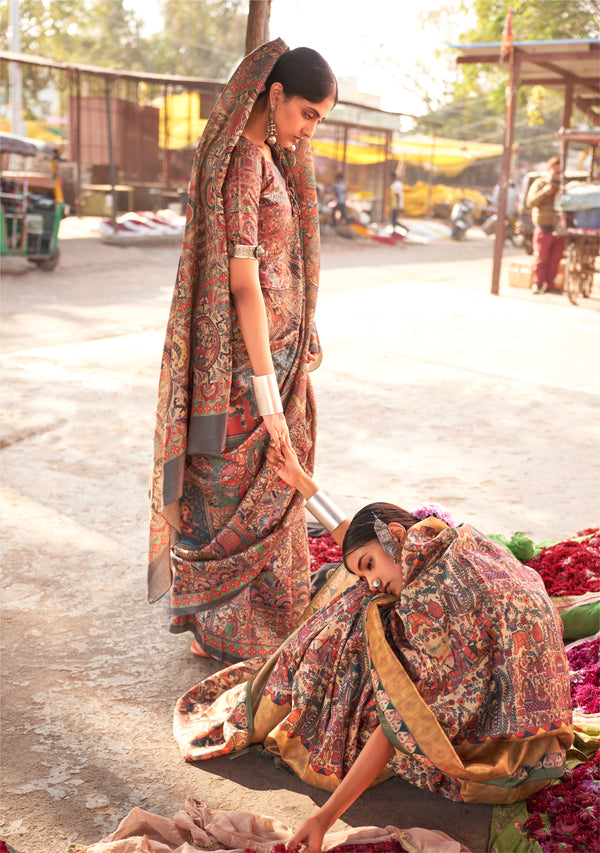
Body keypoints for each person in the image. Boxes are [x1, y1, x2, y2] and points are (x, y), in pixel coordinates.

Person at [173, 443, 573, 853]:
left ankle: (285, 692)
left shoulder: (429, 601)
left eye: (368, 567)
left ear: (395, 535)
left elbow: (399, 719)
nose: (373, 582)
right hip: (544, 735)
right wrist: (303, 484)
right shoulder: (445, 541)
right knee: (361, 601)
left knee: (354, 622)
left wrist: (325, 815)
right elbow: (363, 548)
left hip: (503, 757)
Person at [147, 39, 338, 663]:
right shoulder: (241, 165)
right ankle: (221, 627)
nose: (309, 130)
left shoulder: (273, 160)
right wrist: (265, 392)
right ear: (276, 95)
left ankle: (257, 617)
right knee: (233, 487)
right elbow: (242, 284)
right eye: (308, 114)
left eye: (319, 121)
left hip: (276, 357)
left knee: (270, 489)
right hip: (243, 367)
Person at [525, 157, 565, 294]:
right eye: (555, 169)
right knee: (541, 258)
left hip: (559, 228)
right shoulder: (540, 183)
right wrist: (545, 192)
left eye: (559, 170)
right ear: (549, 170)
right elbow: (530, 202)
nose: (557, 172)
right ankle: (537, 283)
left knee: (556, 259)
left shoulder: (565, 185)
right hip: (544, 226)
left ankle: (550, 285)